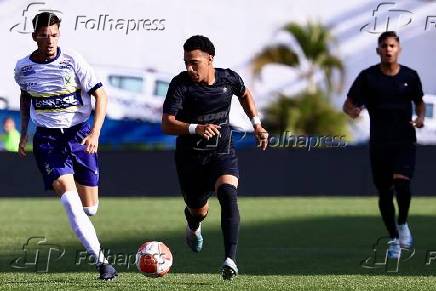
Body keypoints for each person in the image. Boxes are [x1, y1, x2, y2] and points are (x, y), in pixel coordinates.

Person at [14, 12, 117, 280]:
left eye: (55, 34)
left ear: (60, 34)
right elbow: (26, 97)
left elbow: (100, 94)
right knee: (71, 204)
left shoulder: (73, 60)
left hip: (81, 136)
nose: (50, 40)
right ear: (35, 35)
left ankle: (86, 224)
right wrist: (24, 132)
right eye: (45, 35)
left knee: (89, 207)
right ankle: (103, 263)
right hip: (48, 140)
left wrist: (95, 132)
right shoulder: (23, 68)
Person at [162, 35, 268, 280]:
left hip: (222, 152)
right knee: (198, 209)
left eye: (195, 62)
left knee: (228, 194)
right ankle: (193, 223)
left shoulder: (228, 78)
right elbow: (167, 124)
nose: (190, 68)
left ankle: (230, 259)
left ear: (210, 59)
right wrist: (195, 128)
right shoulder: (180, 84)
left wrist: (257, 124)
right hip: (190, 158)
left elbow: (245, 93)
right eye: (186, 62)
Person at [343, 31, 425, 259]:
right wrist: (354, 112)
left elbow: (419, 104)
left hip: (404, 140)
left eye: (392, 45)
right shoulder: (368, 77)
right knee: (385, 193)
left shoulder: (410, 76)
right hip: (380, 143)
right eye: (384, 46)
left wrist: (420, 118)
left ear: (398, 49)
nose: (388, 49)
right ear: (378, 50)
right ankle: (394, 240)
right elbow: (347, 105)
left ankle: (403, 223)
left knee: (403, 186)